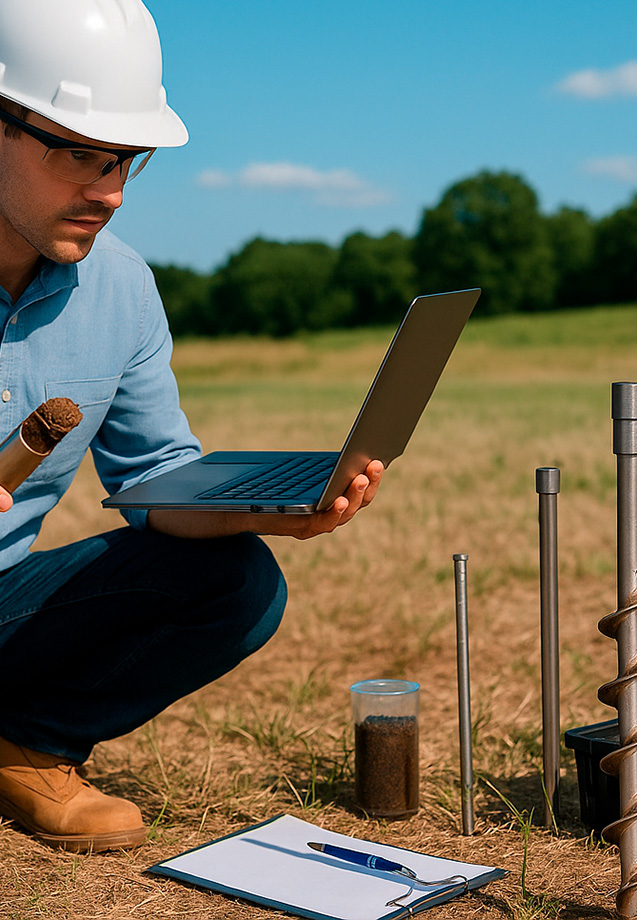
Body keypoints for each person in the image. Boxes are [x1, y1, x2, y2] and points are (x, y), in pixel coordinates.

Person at [0, 0, 383, 853]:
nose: (107, 191)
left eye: (126, 160)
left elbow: (152, 483)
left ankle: (29, 742)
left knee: (234, 582)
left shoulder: (122, 289)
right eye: (79, 154)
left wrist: (273, 508)